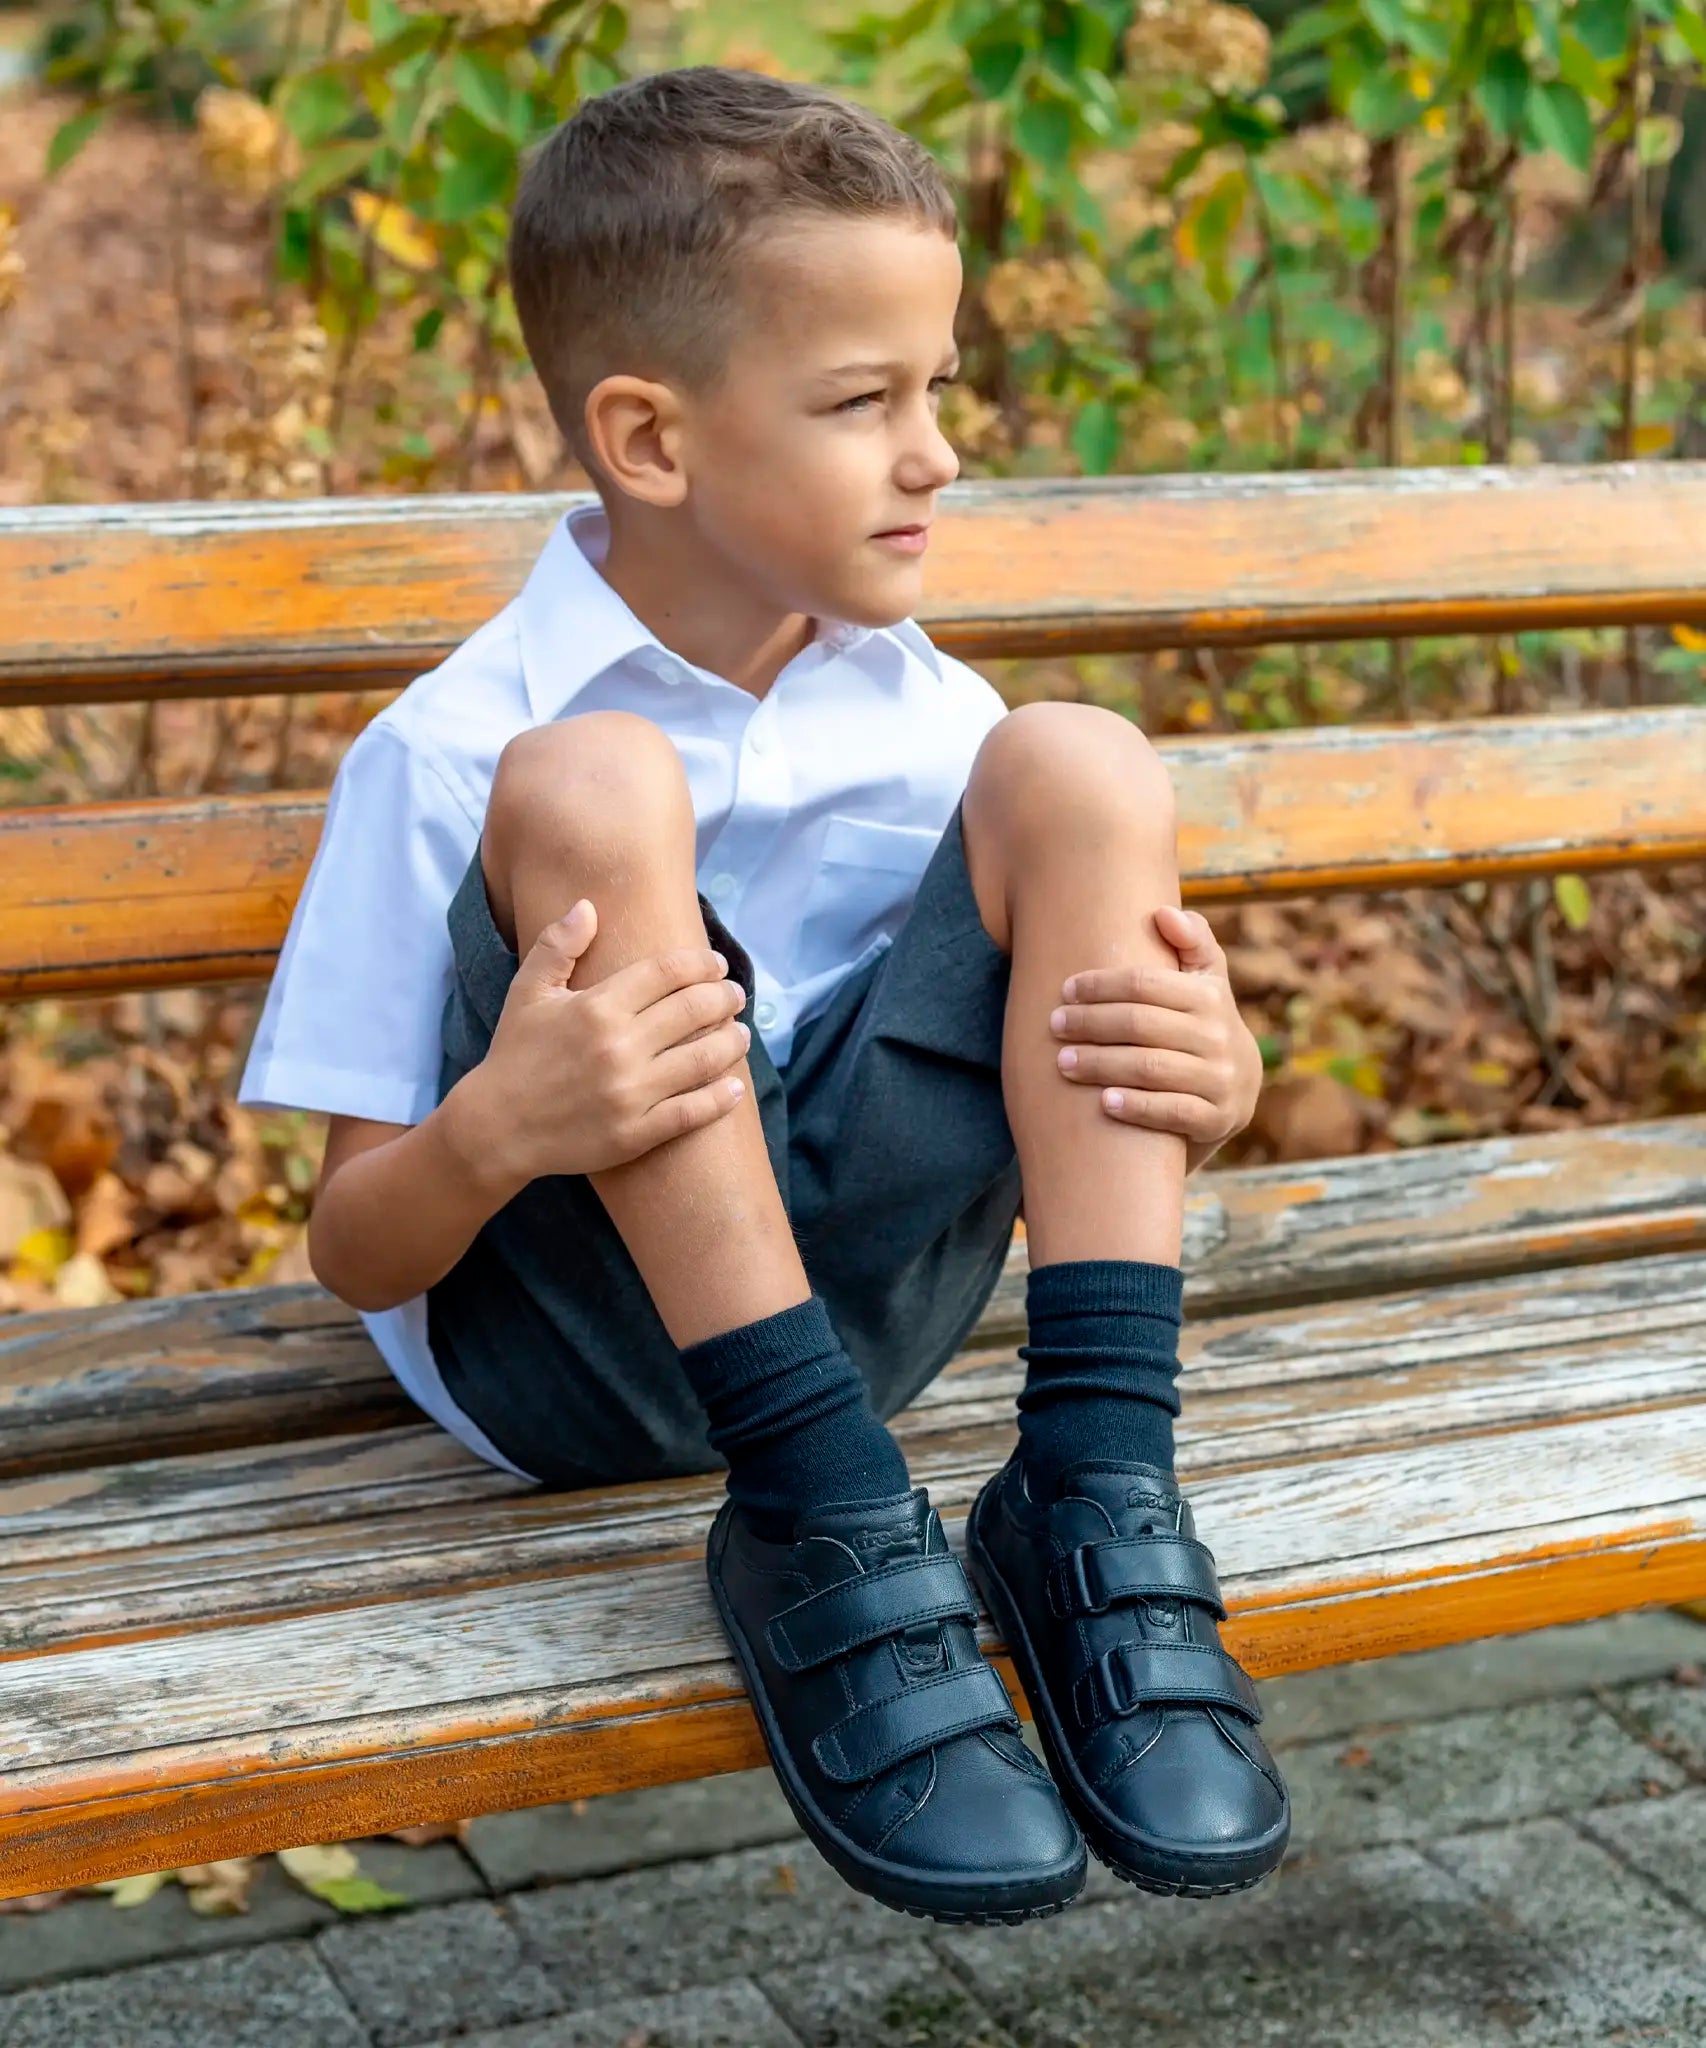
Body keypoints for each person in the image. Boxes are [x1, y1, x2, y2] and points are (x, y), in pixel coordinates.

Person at [240, 65, 1289, 1924]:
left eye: (936, 392)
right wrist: (503, 1123)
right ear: (650, 441)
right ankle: (808, 1516)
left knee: (1085, 762)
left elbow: (1088, 1041)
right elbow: (355, 1250)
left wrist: (1210, 1071)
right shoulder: (453, 751)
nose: (935, 454)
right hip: (575, 1362)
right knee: (592, 784)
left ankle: (1094, 1495)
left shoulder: (936, 720)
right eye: (859, 401)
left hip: (885, 1324)